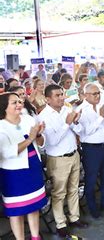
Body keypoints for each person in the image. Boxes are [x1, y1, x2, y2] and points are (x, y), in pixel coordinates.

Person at [37, 84, 88, 238]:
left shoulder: (66, 109)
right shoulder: (43, 116)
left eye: (62, 94)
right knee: (59, 193)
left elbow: (79, 131)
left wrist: (75, 122)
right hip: (58, 159)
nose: (61, 98)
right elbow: (51, 142)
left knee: (74, 188)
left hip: (73, 154)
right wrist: (67, 123)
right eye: (57, 95)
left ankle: (74, 217)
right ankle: (61, 224)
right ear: (47, 99)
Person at [0, 93, 47, 240]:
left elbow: (40, 143)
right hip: (13, 174)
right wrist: (31, 138)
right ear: (4, 107)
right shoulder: (2, 126)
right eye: (14, 103)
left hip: (33, 167)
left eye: (20, 101)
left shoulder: (28, 119)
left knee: (33, 207)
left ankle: (35, 236)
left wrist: (38, 135)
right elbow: (6, 152)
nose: (19, 104)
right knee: (16, 211)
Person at [76, 83, 104, 219]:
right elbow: (86, 131)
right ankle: (92, 207)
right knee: (91, 179)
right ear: (85, 95)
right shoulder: (81, 110)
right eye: (94, 94)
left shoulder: (101, 106)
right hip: (91, 149)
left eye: (98, 93)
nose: (97, 96)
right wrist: (100, 118)